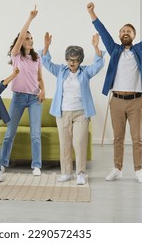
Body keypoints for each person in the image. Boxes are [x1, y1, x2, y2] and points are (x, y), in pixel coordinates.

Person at [87, 1, 142, 183]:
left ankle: (139, 170)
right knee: (117, 138)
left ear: (133, 36)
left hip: (135, 101)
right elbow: (103, 32)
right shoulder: (114, 50)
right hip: (116, 100)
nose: (125, 33)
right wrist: (92, 13)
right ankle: (117, 168)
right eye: (123, 31)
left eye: (129, 31)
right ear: (119, 35)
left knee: (137, 138)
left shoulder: (140, 49)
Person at [41, 32, 105, 185]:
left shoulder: (85, 72)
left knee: (79, 142)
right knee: (65, 143)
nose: (72, 63)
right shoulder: (61, 71)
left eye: (76, 60)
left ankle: (81, 173)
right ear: (66, 60)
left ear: (80, 61)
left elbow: (99, 64)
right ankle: (66, 173)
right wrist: (46, 46)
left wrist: (96, 47)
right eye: (70, 60)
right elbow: (46, 62)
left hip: (81, 113)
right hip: (62, 112)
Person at [0, 6, 46, 176]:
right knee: (9, 132)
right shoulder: (16, 56)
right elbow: (20, 36)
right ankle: (3, 163)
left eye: (31, 38)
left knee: (35, 134)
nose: (29, 40)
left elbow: (40, 78)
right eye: (27, 38)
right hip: (18, 98)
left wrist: (43, 91)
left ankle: (36, 165)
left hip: (34, 98)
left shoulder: (37, 58)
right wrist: (30, 18)